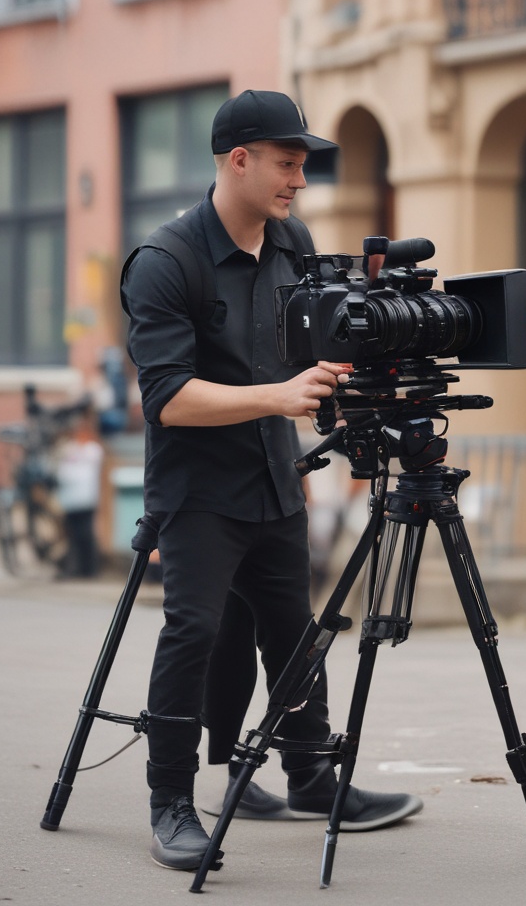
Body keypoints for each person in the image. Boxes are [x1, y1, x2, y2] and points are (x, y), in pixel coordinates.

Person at [121, 90, 421, 871]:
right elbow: (168, 398)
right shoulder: (166, 260)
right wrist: (277, 397)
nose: (300, 179)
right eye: (288, 163)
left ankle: (312, 777)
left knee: (294, 629)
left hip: (278, 481)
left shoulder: (293, 241)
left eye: (303, 165)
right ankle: (173, 803)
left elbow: (308, 352)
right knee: (195, 629)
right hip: (196, 491)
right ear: (239, 159)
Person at [55, 407, 103, 578]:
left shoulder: (92, 450)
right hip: (70, 499)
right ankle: (77, 568)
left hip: (85, 499)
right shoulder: (68, 448)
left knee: (85, 535)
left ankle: (89, 568)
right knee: (73, 536)